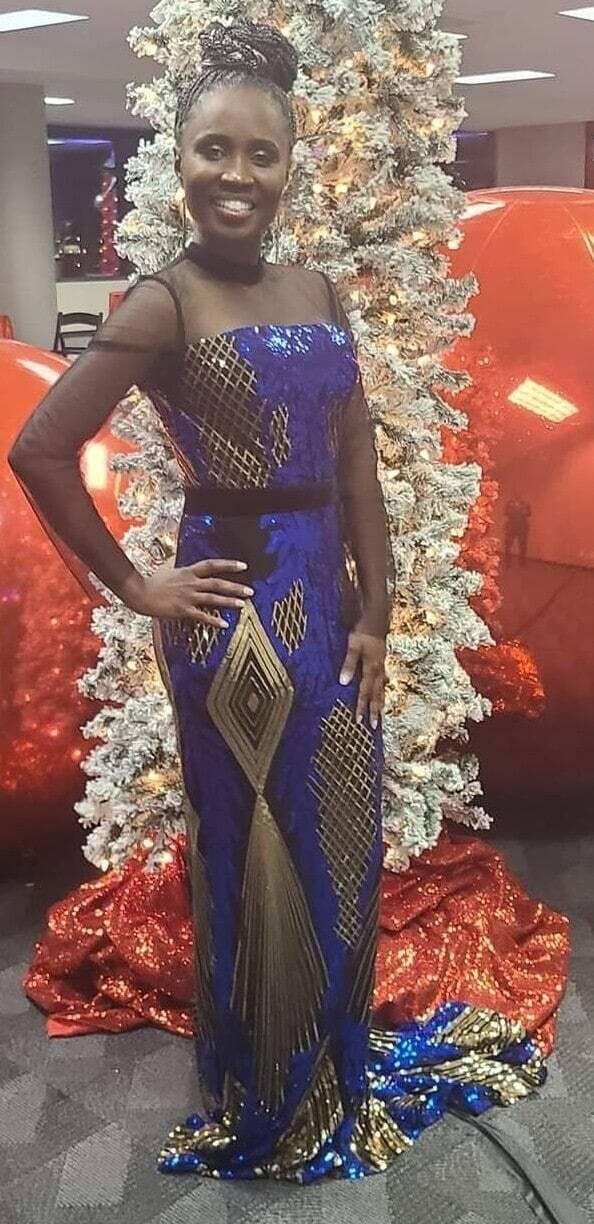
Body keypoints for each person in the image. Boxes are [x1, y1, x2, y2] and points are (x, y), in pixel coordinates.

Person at [9, 19, 394, 1182]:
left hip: (328, 608)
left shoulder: (319, 286)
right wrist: (136, 584)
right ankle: (268, 1089)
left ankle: (328, 1066)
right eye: (212, 150)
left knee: (342, 836)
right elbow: (39, 447)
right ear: (177, 159)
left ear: (288, 166)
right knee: (252, 845)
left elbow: (357, 464)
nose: (236, 174)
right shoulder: (164, 300)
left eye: (259, 153)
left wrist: (377, 612)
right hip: (231, 622)